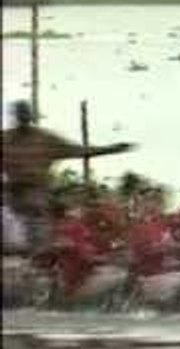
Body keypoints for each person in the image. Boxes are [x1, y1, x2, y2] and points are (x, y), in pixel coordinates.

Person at [2, 100, 134, 252]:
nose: (23, 119)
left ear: (30, 117)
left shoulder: (45, 139)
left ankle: (38, 249)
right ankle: (29, 245)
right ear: (15, 116)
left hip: (35, 188)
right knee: (17, 212)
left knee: (36, 210)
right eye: (20, 115)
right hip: (12, 189)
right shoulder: (6, 139)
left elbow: (79, 150)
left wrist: (111, 149)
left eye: (25, 115)